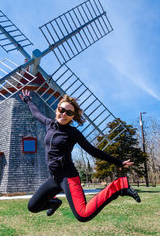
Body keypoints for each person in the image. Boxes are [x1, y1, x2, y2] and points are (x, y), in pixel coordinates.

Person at [20, 89, 141, 222]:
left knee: (83, 215)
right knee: (33, 206)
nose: (64, 114)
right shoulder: (49, 124)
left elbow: (93, 151)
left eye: (69, 112)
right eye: (62, 110)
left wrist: (118, 162)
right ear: (57, 110)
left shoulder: (73, 133)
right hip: (54, 178)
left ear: (72, 117)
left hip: (68, 177)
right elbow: (36, 113)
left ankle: (119, 187)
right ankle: (55, 203)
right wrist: (28, 101)